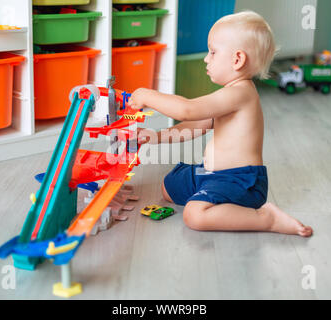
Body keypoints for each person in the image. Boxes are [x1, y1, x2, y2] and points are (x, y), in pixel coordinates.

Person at [127, 11, 313, 237]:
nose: (207, 58)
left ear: (237, 59)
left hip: (242, 180)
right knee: (169, 186)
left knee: (194, 215)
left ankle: (267, 219)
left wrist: (147, 95)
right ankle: (212, 198)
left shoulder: (241, 93)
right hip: (212, 173)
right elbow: (195, 124)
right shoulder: (229, 94)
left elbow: (187, 109)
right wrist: (154, 137)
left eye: (213, 52)